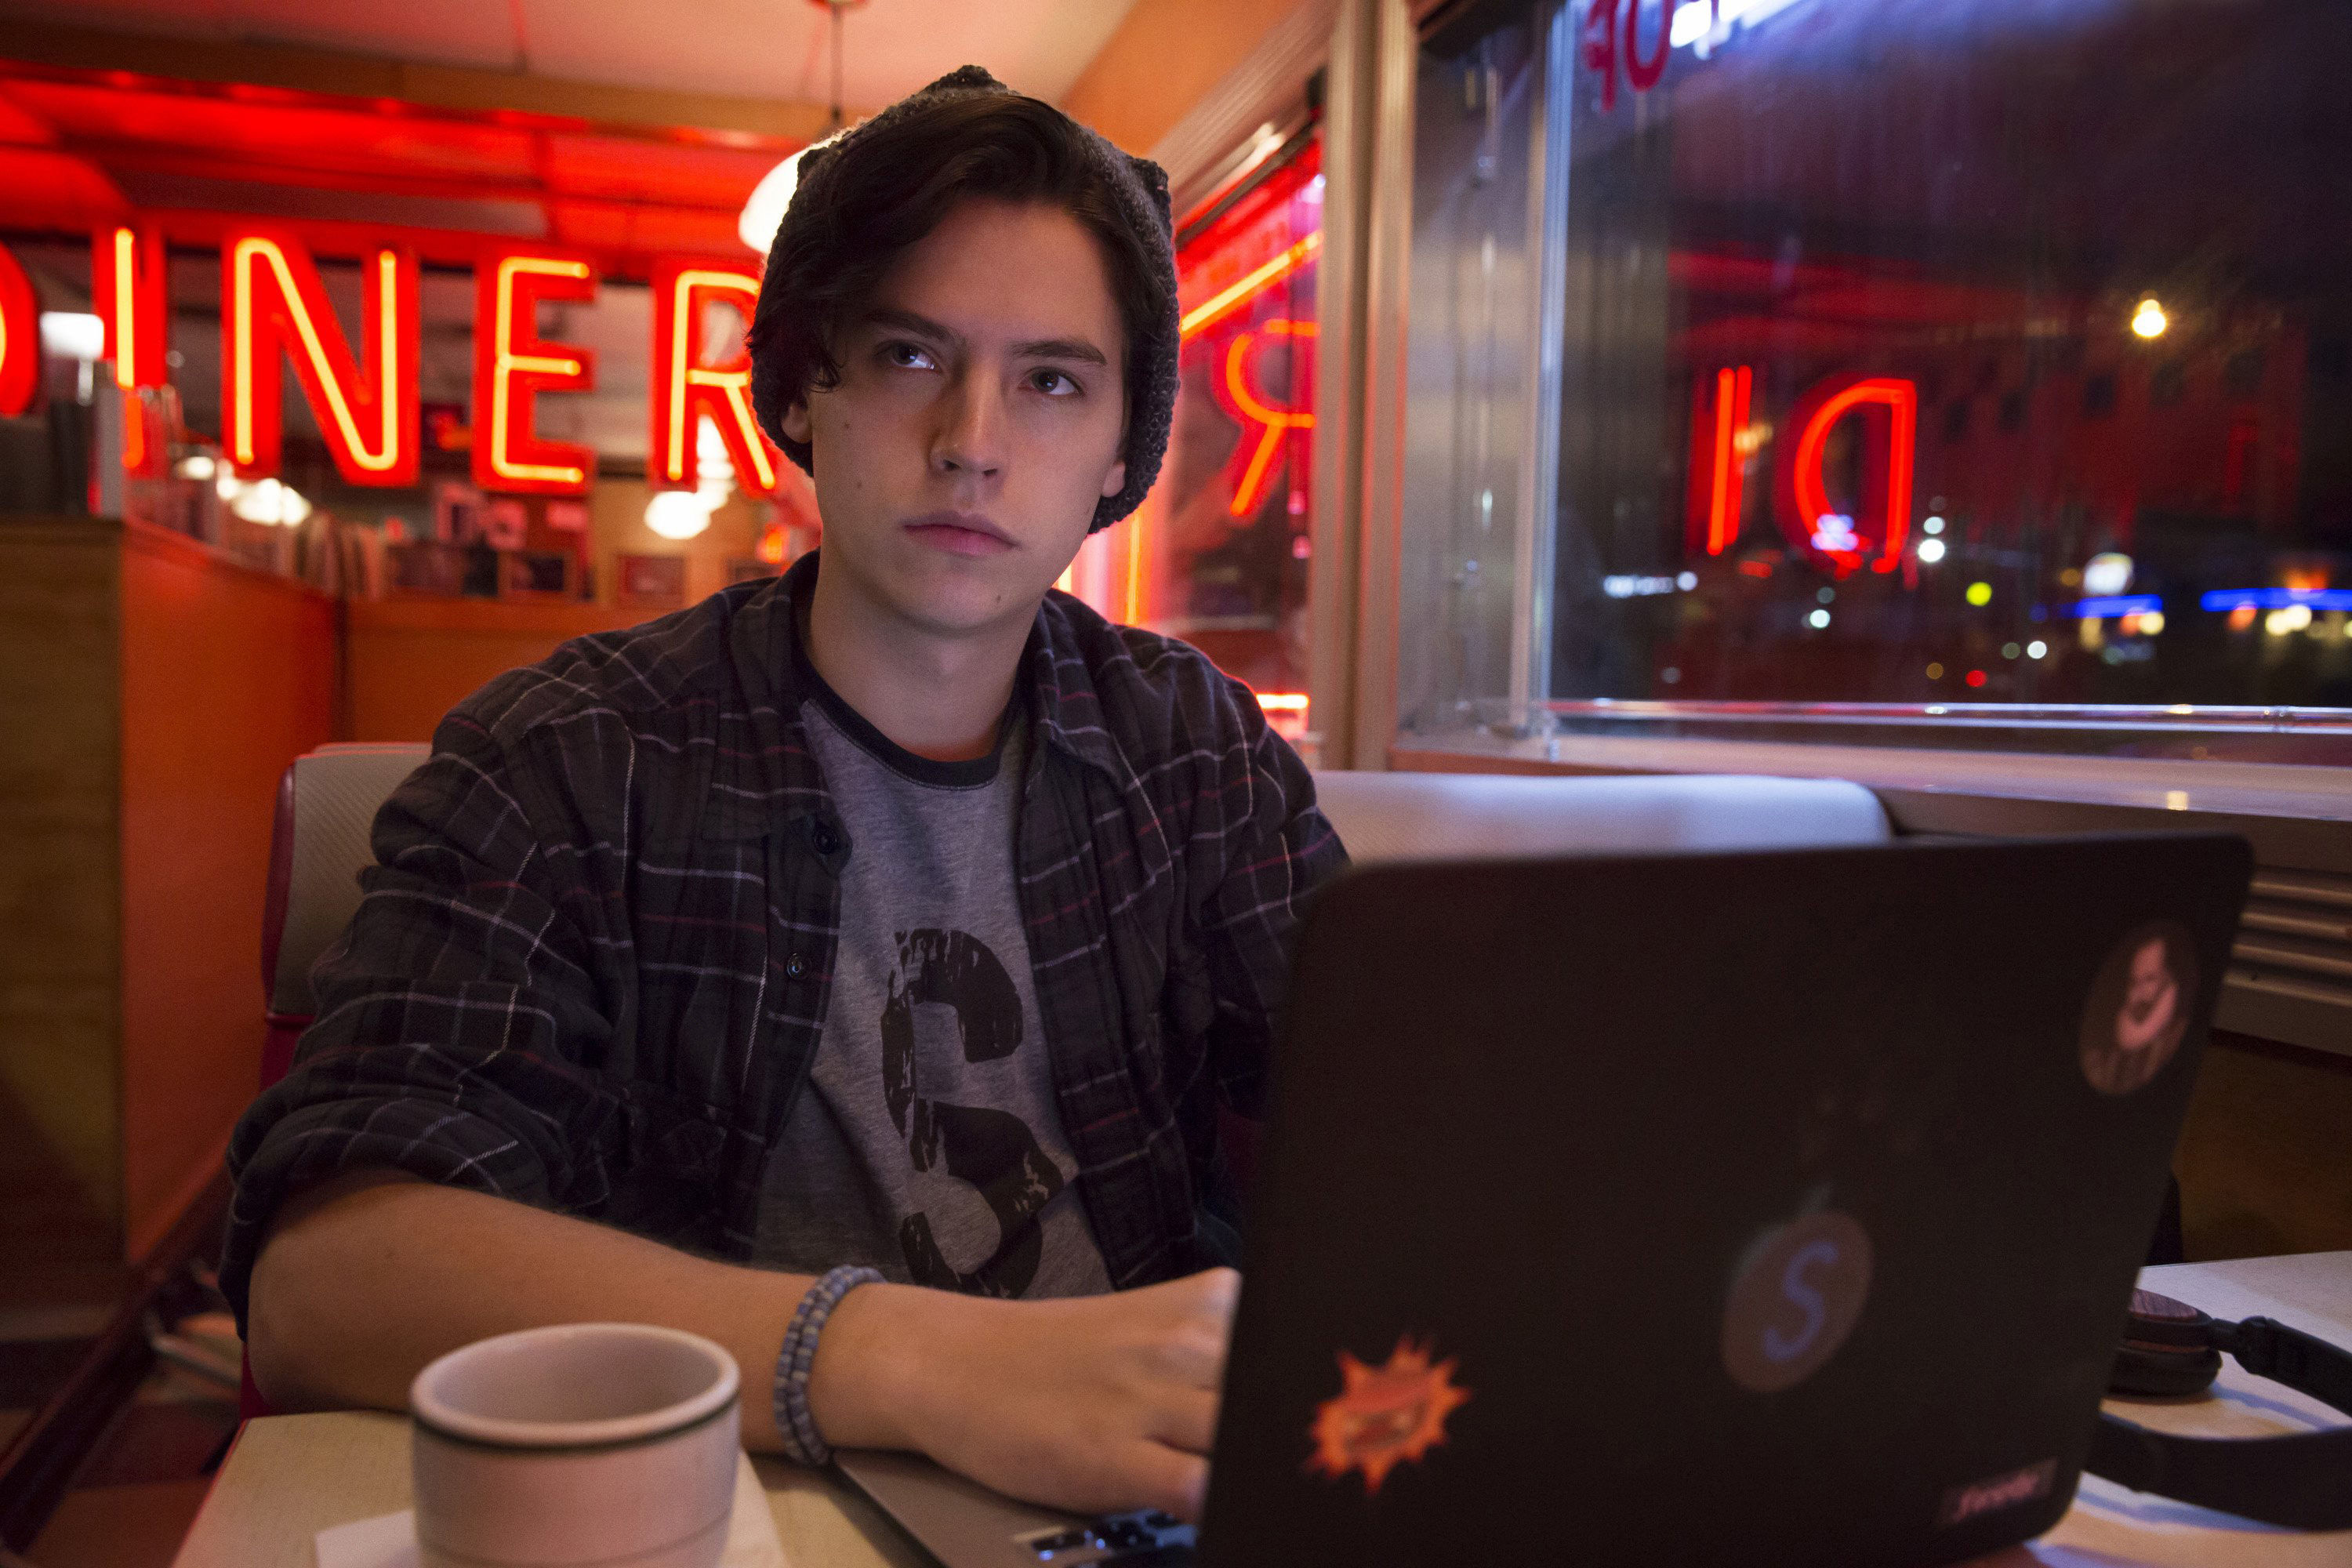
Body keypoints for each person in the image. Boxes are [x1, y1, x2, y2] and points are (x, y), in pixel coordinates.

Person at [225, 67, 1345, 1524]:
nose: (972, 439)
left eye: (1053, 379)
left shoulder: (1190, 749)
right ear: (801, 391)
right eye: (905, 356)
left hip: (1123, 1508)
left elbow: (1413, 1124)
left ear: (1124, 451)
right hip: (713, 1510)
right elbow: (323, 1281)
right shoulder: (570, 752)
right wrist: (903, 1359)